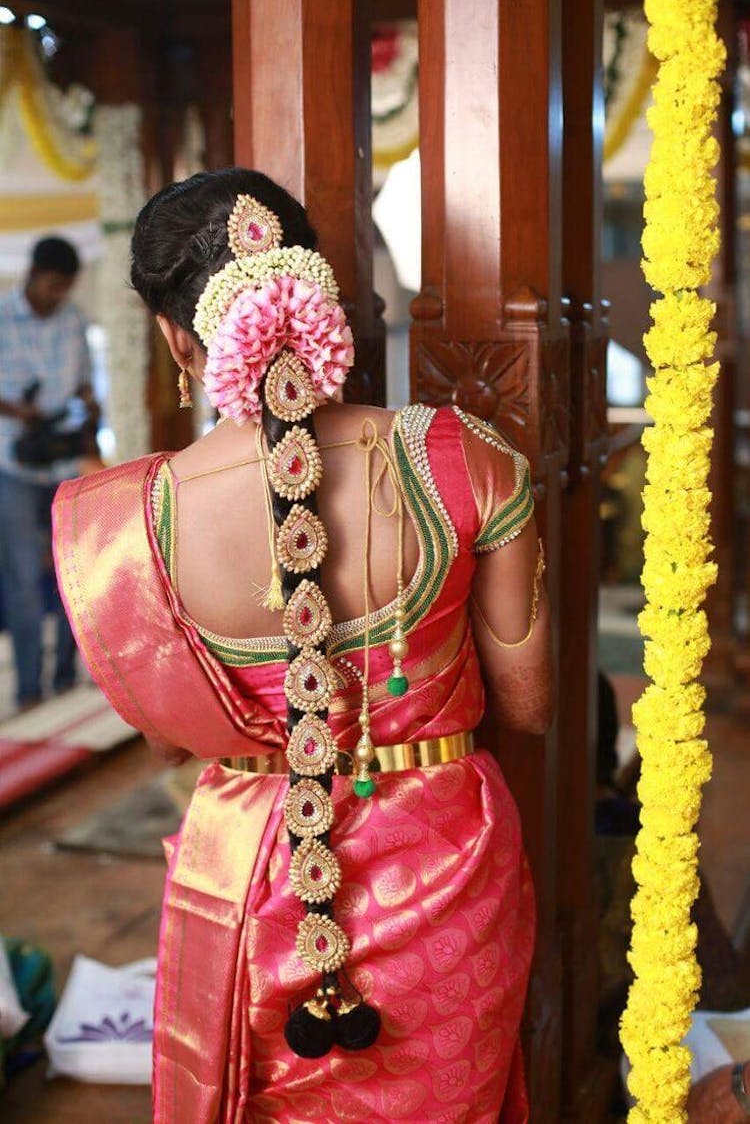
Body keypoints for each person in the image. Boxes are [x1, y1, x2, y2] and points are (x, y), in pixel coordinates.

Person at [52, 168, 553, 1123]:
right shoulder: (464, 456)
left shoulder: (118, 527)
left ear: (175, 341)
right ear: (320, 291)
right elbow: (529, 706)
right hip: (446, 858)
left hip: (249, 880)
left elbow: (170, 741)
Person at [0, 236, 96, 709]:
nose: (59, 295)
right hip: (11, 466)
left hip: (62, 463)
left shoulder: (75, 319)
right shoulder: (1, 318)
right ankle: (28, 690)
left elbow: (83, 383)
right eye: (54, 285)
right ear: (33, 274)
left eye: (66, 288)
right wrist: (19, 412)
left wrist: (84, 405)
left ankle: (64, 677)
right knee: (20, 581)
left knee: (70, 574)